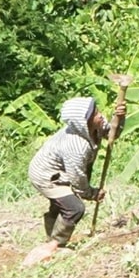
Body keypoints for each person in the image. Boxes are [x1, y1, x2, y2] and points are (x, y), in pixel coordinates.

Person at [26, 96, 111, 262]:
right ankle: (54, 245)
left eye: (97, 110)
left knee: (61, 206)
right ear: (83, 122)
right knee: (74, 208)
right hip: (46, 175)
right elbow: (77, 177)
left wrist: (120, 117)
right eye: (95, 114)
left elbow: (113, 133)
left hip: (61, 170)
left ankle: (52, 237)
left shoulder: (96, 125)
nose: (100, 115)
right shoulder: (76, 145)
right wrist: (91, 194)